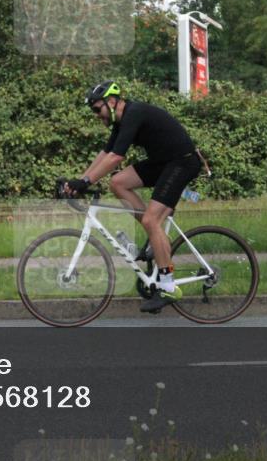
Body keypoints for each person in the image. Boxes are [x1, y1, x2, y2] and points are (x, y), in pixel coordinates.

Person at [64, 81, 204, 312]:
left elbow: (116, 158)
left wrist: (87, 182)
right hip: (163, 163)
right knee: (118, 183)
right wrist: (79, 180)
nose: (96, 115)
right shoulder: (120, 121)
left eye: (97, 109)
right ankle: (157, 237)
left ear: (111, 101)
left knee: (151, 220)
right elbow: (106, 153)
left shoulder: (134, 113)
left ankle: (168, 287)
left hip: (182, 163)